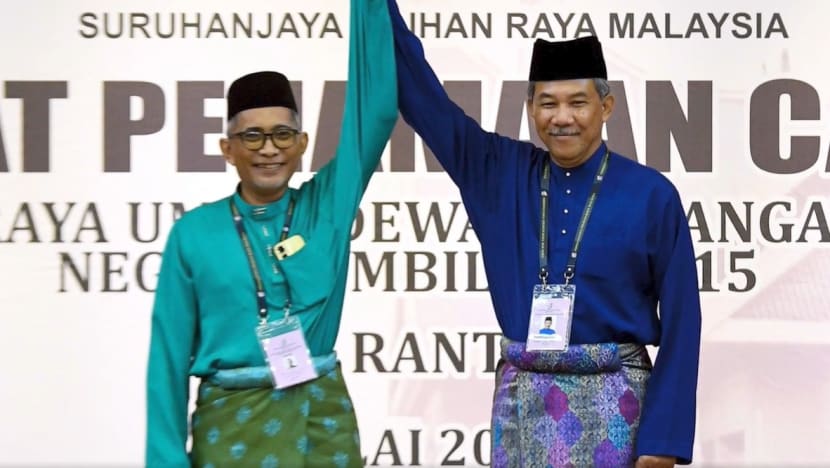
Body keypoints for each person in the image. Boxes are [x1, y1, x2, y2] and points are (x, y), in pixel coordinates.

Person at [385, 1, 701, 466]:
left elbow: (682, 321)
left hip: (618, 413)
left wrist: (662, 440)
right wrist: (377, 11)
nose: (562, 117)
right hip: (524, 410)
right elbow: (423, 99)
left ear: (606, 106)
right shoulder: (498, 174)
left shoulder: (651, 195)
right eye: (548, 103)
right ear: (531, 108)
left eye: (578, 102)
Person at [144, 0, 396, 466]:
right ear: (227, 149)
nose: (269, 149)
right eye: (252, 136)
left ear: (301, 144)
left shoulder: (326, 208)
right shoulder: (193, 234)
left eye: (282, 134)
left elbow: (376, 110)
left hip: (321, 428)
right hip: (230, 431)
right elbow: (167, 362)